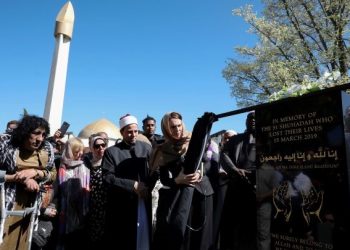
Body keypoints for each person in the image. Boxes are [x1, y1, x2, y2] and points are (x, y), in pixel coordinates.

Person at [0, 115, 56, 249]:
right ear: (25, 132)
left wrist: (36, 173)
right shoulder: (5, 146)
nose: (40, 139)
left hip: (30, 208)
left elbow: (52, 174)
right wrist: (18, 178)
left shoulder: (46, 150)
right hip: (5, 204)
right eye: (36, 133)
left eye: (43, 134)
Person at [150, 112, 204, 250]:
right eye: (173, 127)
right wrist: (177, 180)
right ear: (166, 129)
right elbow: (163, 179)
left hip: (195, 194)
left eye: (179, 125)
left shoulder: (194, 141)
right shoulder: (162, 149)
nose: (177, 130)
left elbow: (206, 164)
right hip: (175, 199)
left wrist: (199, 173)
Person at [102, 114, 156, 250]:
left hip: (143, 201)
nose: (133, 135)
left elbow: (155, 172)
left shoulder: (146, 148)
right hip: (122, 204)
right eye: (129, 132)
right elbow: (107, 178)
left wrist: (146, 187)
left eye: (136, 131)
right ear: (122, 132)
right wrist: (133, 185)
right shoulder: (111, 152)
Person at [220, 111, 257, 250]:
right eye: (250, 118)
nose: (253, 120)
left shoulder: (267, 139)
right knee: (232, 225)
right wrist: (234, 170)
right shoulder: (236, 139)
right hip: (235, 187)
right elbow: (223, 154)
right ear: (245, 121)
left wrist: (252, 173)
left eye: (255, 118)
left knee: (251, 226)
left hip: (254, 188)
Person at [57, 137, 90, 250]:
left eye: (81, 151)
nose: (80, 154)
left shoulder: (84, 167)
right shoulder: (60, 165)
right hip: (61, 212)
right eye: (76, 151)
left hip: (79, 212)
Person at [212, 129, 237, 250]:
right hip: (220, 190)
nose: (228, 140)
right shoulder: (217, 153)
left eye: (231, 138)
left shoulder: (240, 153)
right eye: (226, 138)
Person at [83, 135, 108, 249]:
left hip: (105, 204)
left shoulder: (109, 163)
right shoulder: (86, 163)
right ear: (92, 148)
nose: (101, 148)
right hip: (90, 204)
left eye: (103, 145)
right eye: (97, 146)